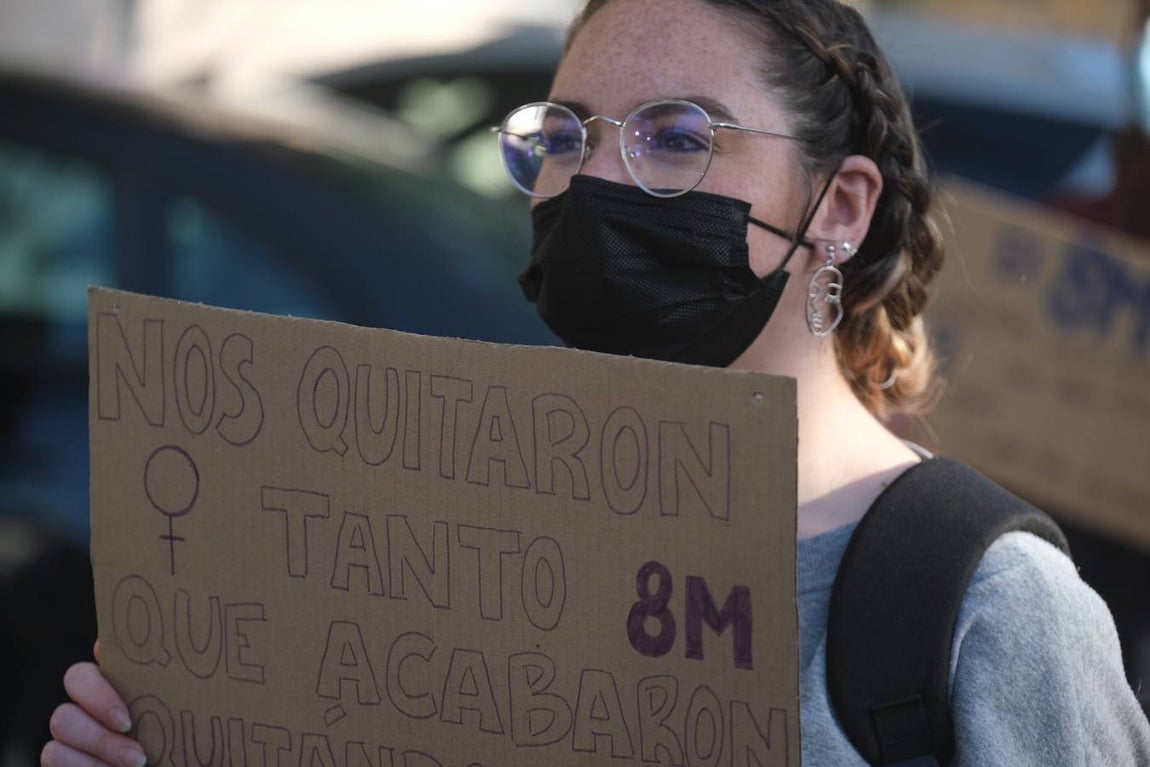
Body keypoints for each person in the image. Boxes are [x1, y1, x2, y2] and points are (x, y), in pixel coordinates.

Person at [42, 0, 1150, 765]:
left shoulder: (990, 607)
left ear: (842, 209)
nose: (597, 179)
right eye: (561, 137)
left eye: (677, 136)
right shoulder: (442, 546)